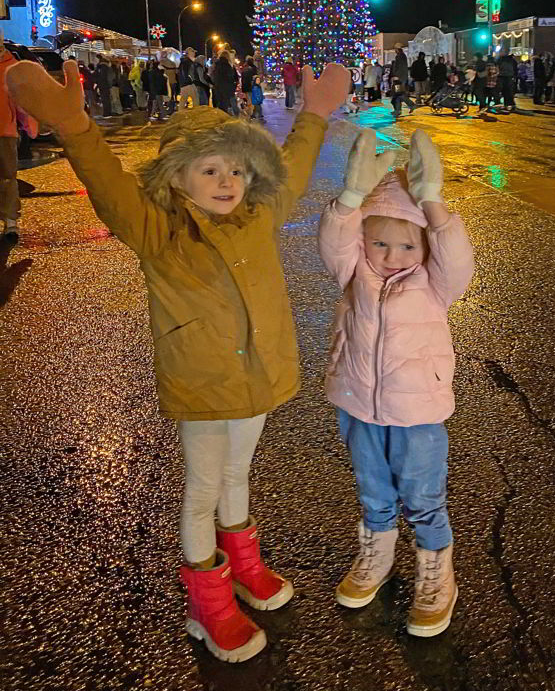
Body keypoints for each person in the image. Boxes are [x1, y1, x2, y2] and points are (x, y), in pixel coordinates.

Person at [7, 56, 350, 663]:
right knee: (202, 487)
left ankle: (243, 564)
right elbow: (109, 186)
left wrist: (316, 114)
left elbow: (292, 168)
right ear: (176, 178)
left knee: (239, 475)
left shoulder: (258, 212)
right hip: (201, 381)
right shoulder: (155, 227)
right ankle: (208, 602)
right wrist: (77, 129)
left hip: (258, 374)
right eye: (210, 169)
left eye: (237, 169)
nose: (227, 182)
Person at [317, 129, 474, 638]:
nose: (391, 254)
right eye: (378, 241)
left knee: (423, 495)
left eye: (407, 244)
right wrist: (351, 197)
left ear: (424, 244)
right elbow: (335, 236)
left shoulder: (435, 282)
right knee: (373, 488)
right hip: (358, 403)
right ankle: (377, 556)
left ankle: (435, 574)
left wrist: (433, 204)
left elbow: (455, 258)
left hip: (418, 411)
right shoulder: (353, 273)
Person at [0, 31, 38, 242]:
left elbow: (20, 100)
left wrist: (29, 123)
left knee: (8, 177)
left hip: (5, 131)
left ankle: (11, 221)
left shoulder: (11, 67)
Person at [390, 46, 415, 117]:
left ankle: (408, 106)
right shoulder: (402, 56)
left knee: (398, 94)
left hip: (399, 78)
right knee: (398, 94)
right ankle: (398, 110)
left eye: (395, 49)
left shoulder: (400, 56)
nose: (395, 50)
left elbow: (400, 68)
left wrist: (396, 76)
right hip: (401, 78)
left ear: (398, 49)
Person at [212, 50, 238, 115]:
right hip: (226, 89)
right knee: (225, 105)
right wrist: (233, 85)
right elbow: (231, 77)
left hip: (218, 89)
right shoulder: (227, 65)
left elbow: (214, 77)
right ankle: (224, 121)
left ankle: (221, 119)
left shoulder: (217, 65)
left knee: (220, 106)